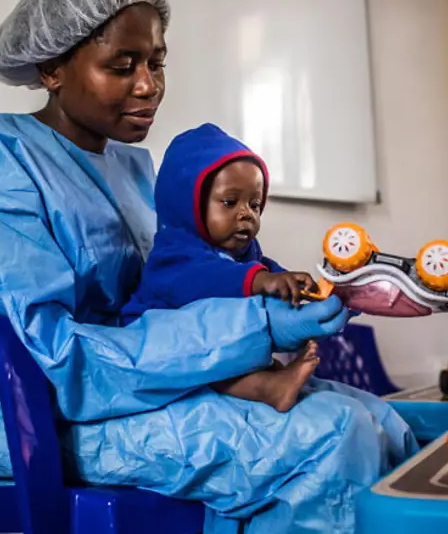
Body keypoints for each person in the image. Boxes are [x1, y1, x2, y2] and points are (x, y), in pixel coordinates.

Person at [0, 0, 419, 534]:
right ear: (51, 68)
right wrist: (257, 327)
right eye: (122, 65)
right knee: (334, 437)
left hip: (121, 387)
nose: (148, 86)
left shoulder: (132, 170)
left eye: (156, 63)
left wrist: (291, 299)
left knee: (383, 422)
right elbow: (46, 359)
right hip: (11, 415)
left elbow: (168, 294)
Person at [121, 123, 323, 412]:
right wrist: (262, 281)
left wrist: (296, 286)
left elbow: (261, 268)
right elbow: (208, 279)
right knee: (206, 368)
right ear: (188, 204)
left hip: (209, 343)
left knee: (243, 359)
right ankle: (268, 388)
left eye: (255, 205)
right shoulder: (174, 253)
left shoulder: (242, 249)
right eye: (230, 202)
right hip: (155, 345)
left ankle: (273, 378)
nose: (246, 214)